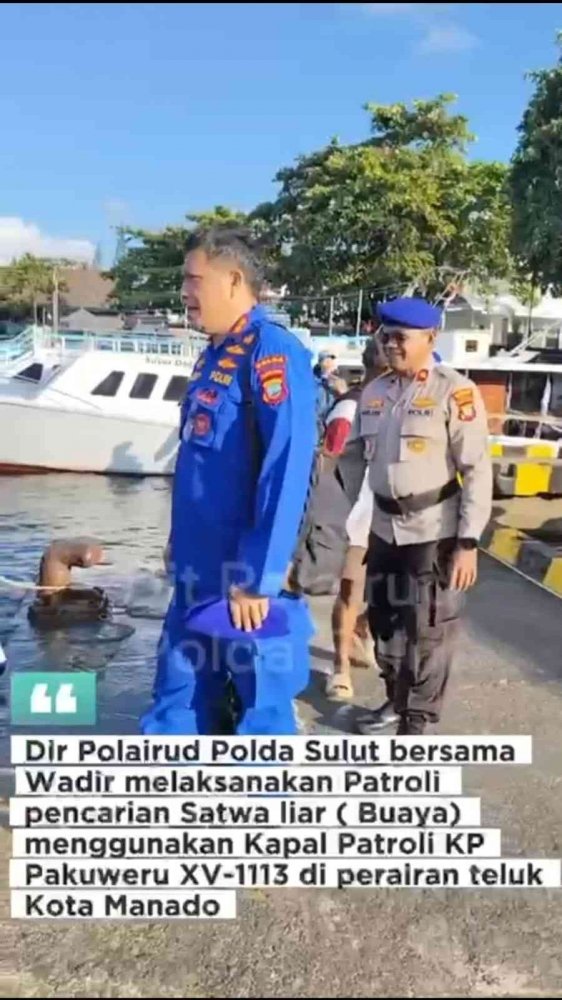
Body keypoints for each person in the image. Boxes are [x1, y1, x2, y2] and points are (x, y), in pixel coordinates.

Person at [140, 226, 317, 736]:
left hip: (243, 577)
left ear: (234, 280)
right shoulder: (212, 356)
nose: (184, 292)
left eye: (193, 280)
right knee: (176, 695)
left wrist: (259, 577)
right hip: (194, 567)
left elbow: (286, 471)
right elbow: (198, 464)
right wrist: (176, 540)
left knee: (261, 708)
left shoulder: (272, 352)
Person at [337, 297, 492, 734]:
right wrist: (352, 516)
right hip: (384, 530)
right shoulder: (375, 393)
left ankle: (417, 724)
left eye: (401, 337)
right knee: (384, 624)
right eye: (386, 336)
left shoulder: (454, 392)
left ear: (431, 338)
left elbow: (476, 469)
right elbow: (354, 459)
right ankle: (396, 698)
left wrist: (467, 543)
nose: (391, 345)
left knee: (427, 631)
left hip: (434, 531)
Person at [326, 337, 388, 700]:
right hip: (356, 516)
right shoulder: (350, 408)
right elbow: (327, 462)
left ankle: (362, 628)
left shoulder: (406, 403)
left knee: (393, 594)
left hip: (398, 518)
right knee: (351, 591)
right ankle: (340, 667)